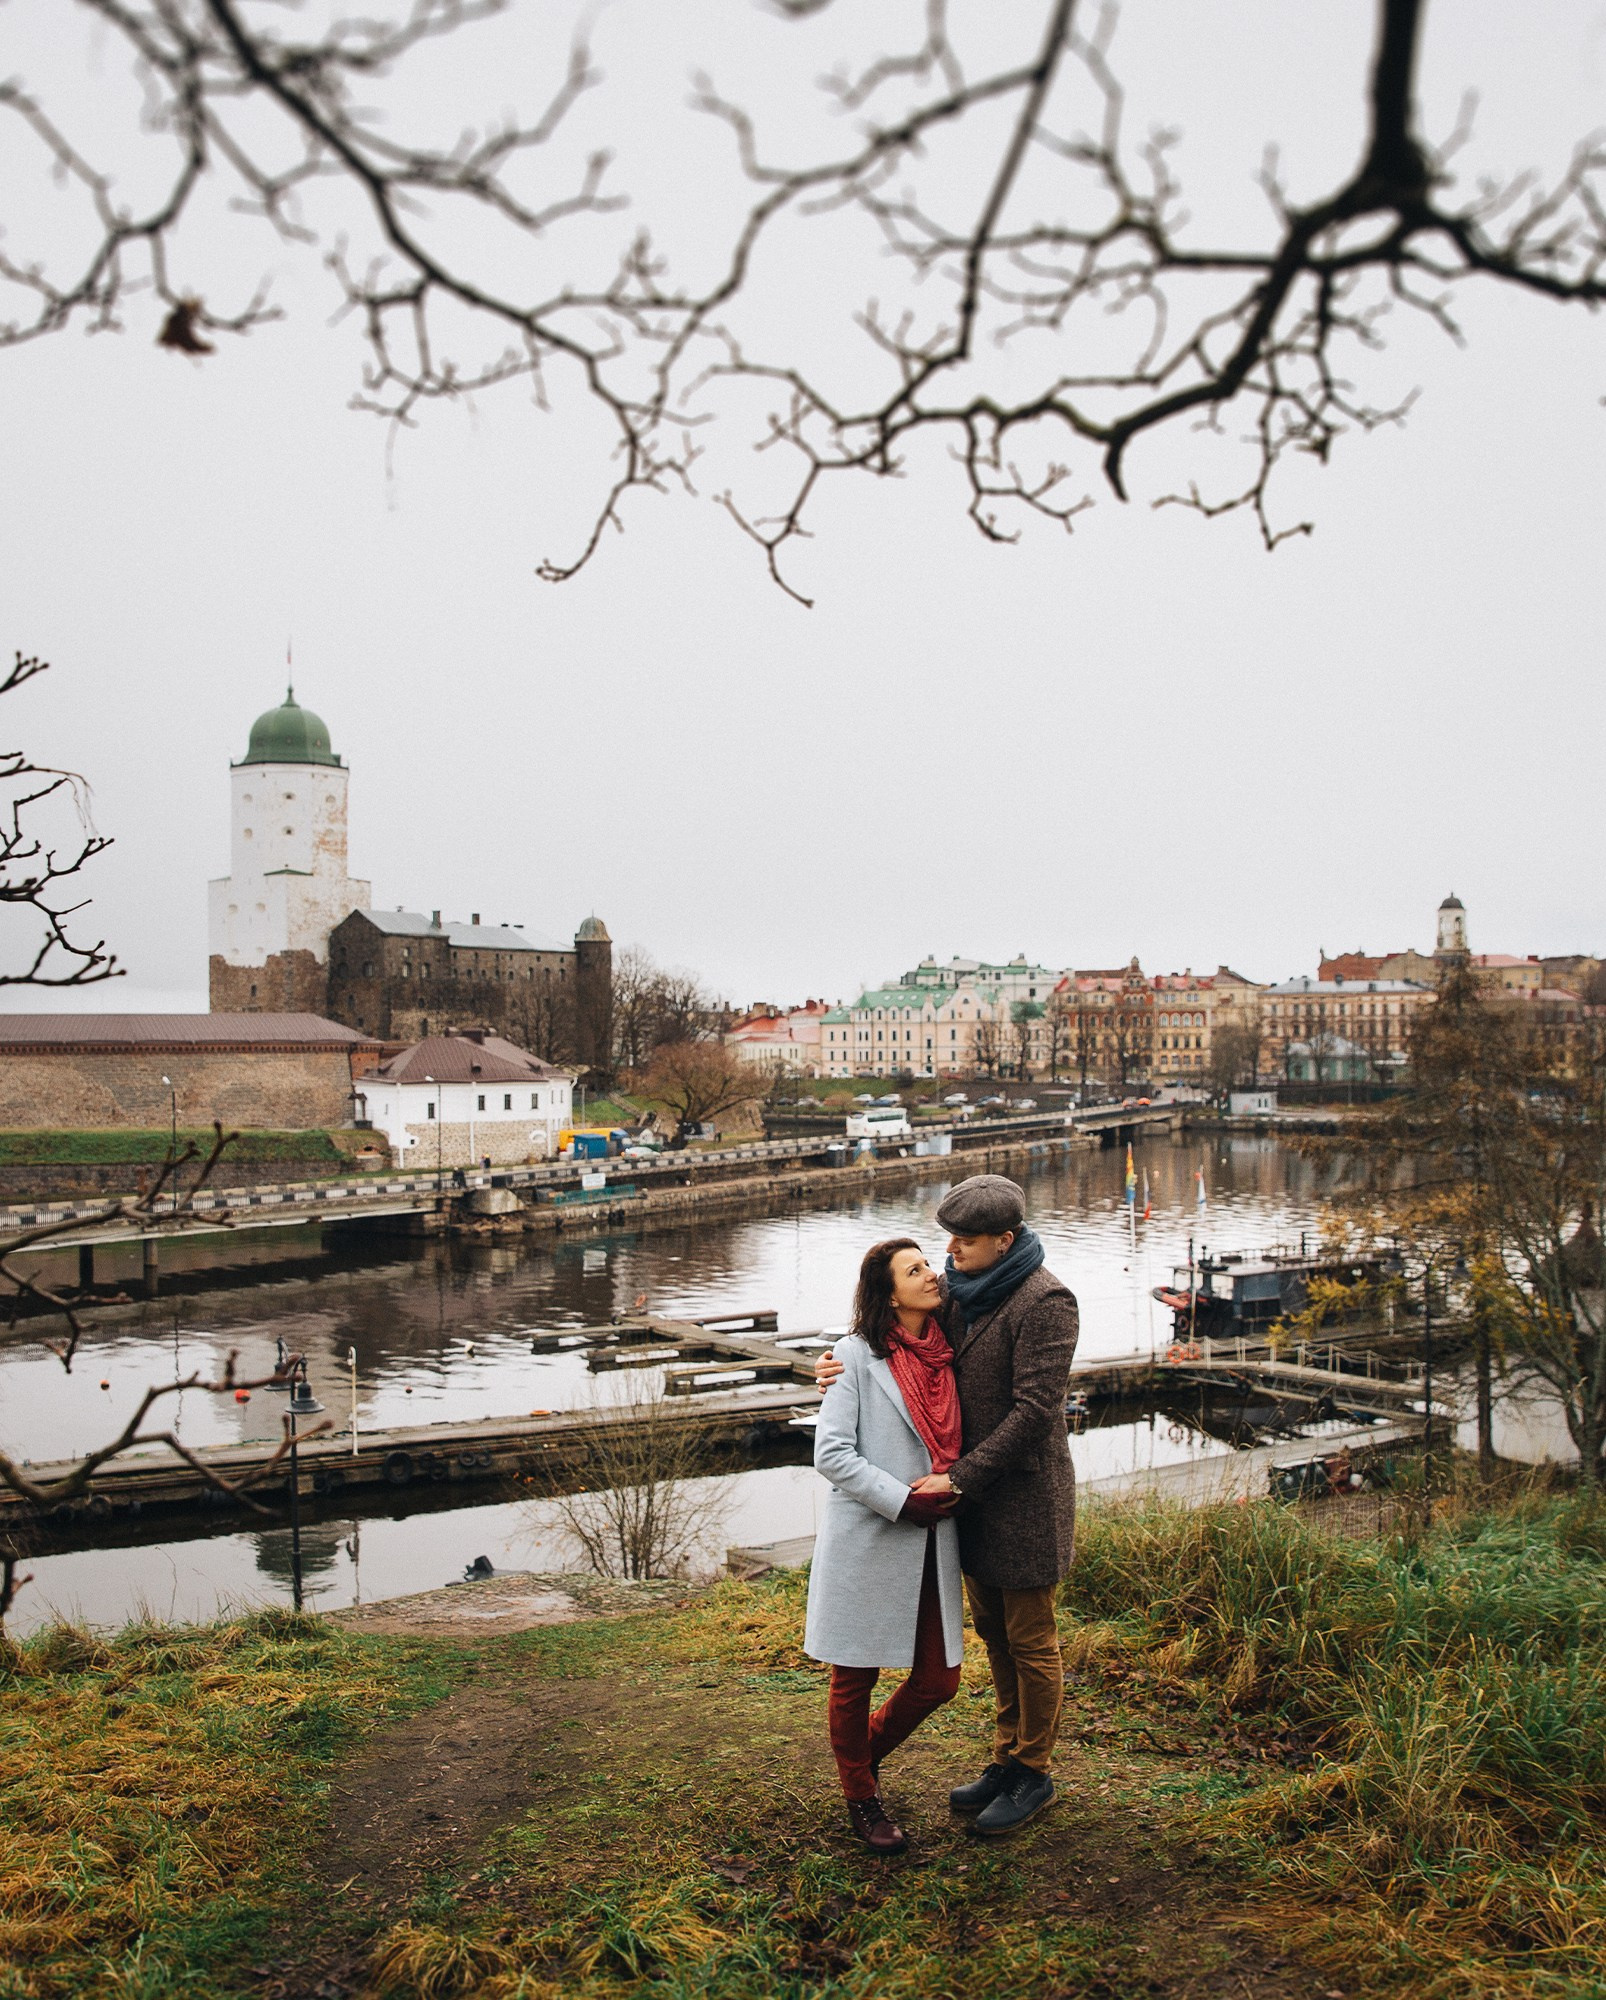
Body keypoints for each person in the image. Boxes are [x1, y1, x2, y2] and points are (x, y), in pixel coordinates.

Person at [815, 1173, 1079, 1834]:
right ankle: (1005, 1758)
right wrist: (829, 1363)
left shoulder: (1047, 1301)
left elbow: (1034, 1414)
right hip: (969, 1510)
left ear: (1004, 1240)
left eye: (963, 1241)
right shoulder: (962, 1296)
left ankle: (1033, 1771)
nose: (949, 1254)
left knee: (1031, 1640)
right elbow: (885, 1337)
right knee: (994, 1637)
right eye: (945, 1243)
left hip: (1021, 1500)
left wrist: (960, 1477)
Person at [804, 1237, 966, 1855]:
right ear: (887, 1291)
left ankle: (856, 1765)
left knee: (939, 1679)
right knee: (855, 1674)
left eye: (929, 1264)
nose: (932, 1275)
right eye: (915, 1270)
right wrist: (902, 1499)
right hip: (875, 1532)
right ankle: (863, 1800)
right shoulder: (853, 1356)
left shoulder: (950, 1350)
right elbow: (832, 1454)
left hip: (935, 1539)